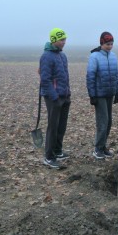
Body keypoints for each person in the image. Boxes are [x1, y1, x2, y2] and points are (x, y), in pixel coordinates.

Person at [39, 28, 71, 169]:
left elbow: (65, 76)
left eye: (65, 39)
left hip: (64, 96)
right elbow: (45, 79)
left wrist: (67, 93)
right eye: (61, 39)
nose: (64, 42)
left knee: (61, 126)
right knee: (53, 126)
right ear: (54, 40)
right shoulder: (46, 56)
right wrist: (55, 96)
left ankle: (58, 151)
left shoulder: (62, 56)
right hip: (53, 97)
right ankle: (49, 156)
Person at [86, 32, 118, 159]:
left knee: (109, 121)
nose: (110, 46)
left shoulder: (113, 56)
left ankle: (103, 146)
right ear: (101, 43)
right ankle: (98, 149)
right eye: (107, 44)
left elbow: (116, 75)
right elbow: (90, 76)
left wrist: (117, 91)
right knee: (103, 121)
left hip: (110, 93)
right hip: (99, 94)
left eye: (111, 44)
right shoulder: (94, 57)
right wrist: (92, 95)